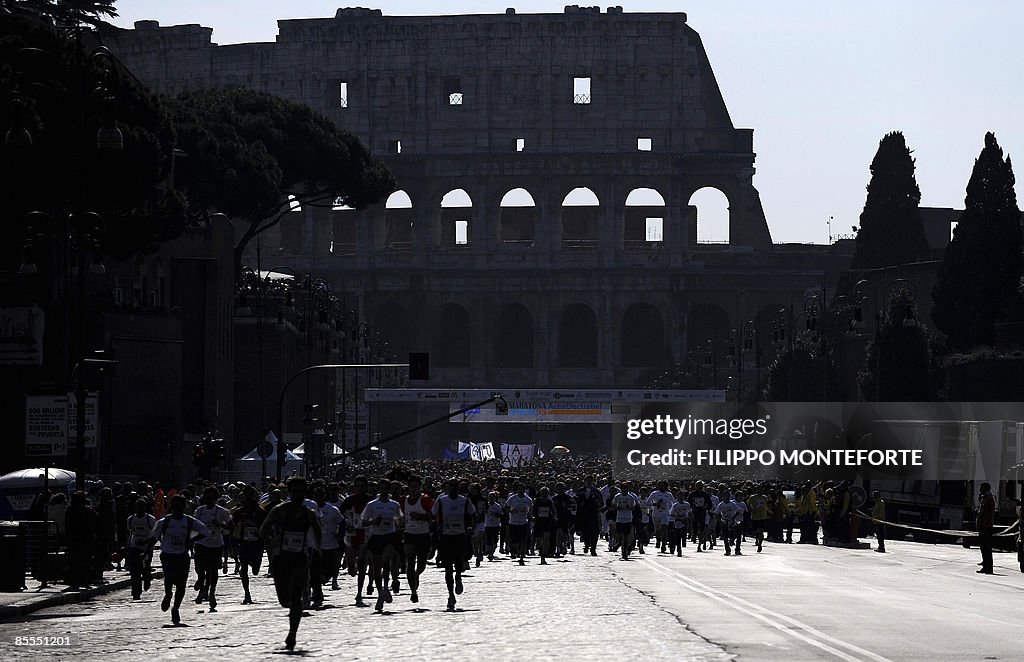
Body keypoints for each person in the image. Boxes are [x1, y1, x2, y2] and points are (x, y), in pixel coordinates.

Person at [260, 477, 322, 650]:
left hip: (300, 558)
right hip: (281, 558)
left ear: (305, 493)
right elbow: (264, 529)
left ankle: (292, 633)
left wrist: (317, 550)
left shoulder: (309, 514)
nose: (298, 495)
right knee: (284, 600)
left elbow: (317, 531)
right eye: (294, 491)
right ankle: (292, 613)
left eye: (301, 492)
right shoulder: (279, 511)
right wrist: (273, 540)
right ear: (289, 492)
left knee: (296, 597)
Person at [152, 494, 210, 625]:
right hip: (167, 554)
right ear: (172, 507)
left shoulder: (189, 521)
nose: (177, 508)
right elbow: (154, 537)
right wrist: (145, 552)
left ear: (184, 507)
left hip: (182, 555)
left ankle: (176, 607)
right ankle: (168, 594)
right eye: (175, 506)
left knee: (181, 584)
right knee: (169, 577)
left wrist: (192, 539)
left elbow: (205, 531)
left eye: (180, 506)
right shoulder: (164, 522)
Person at [432, 478, 477, 611]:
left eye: (455, 486)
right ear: (447, 487)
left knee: (458, 562)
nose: (452, 488)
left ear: (458, 488)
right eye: (450, 486)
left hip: (459, 535)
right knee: (447, 568)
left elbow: (473, 514)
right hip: (445, 537)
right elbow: (433, 514)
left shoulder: (464, 501)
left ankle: (458, 578)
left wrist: (471, 528)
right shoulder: (441, 500)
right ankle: (450, 595)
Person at [359, 481, 403, 613]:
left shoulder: (394, 505)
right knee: (376, 568)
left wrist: (399, 528)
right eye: (382, 488)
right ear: (379, 489)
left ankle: (385, 586)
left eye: (386, 488)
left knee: (386, 560)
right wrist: (374, 521)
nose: (384, 490)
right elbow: (364, 522)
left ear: (389, 490)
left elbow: (399, 518)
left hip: (389, 537)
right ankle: (380, 594)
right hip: (376, 537)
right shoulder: (372, 505)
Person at [193, 485, 233, 612]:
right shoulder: (199, 511)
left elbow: (231, 527)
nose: (209, 500)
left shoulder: (221, 512)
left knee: (213, 571)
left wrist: (220, 524)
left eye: (212, 498)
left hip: (215, 544)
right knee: (200, 568)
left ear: (216, 498)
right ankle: (201, 583)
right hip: (200, 543)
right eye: (207, 497)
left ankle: (211, 593)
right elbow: (193, 527)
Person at [402, 475, 434, 603]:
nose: (413, 489)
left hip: (423, 535)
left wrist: (421, 517)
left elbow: (434, 516)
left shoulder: (425, 500)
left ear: (419, 487)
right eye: (411, 487)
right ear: (408, 487)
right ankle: (413, 591)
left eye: (416, 487)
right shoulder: (403, 500)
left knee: (421, 565)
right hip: (409, 535)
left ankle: (416, 575)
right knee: (410, 562)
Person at [232, 485, 266, 604]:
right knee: (244, 569)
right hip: (244, 543)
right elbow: (232, 526)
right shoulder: (239, 511)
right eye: (246, 496)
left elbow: (266, 526)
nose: (248, 498)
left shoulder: (261, 511)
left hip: (257, 544)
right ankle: (247, 593)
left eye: (251, 495)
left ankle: (253, 563)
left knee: (256, 570)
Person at [125, 499, 156, 600]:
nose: (140, 509)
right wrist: (127, 546)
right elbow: (129, 533)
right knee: (135, 571)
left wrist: (148, 544)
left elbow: (155, 535)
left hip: (146, 547)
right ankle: (136, 592)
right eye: (138, 507)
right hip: (134, 547)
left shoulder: (150, 519)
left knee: (146, 567)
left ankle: (147, 578)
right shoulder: (131, 519)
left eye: (142, 507)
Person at [505, 483, 533, 566]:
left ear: (524, 490)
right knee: (514, 541)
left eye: (522, 489)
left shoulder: (528, 499)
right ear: (517, 490)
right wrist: (510, 511)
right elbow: (506, 507)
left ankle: (521, 556)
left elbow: (531, 509)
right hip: (513, 522)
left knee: (523, 539)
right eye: (519, 489)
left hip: (524, 522)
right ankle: (513, 549)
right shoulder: (512, 498)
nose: (520, 490)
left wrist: (531, 517)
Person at [976, 482, 995, 574]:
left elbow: (987, 515)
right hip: (982, 526)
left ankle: (988, 567)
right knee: (983, 548)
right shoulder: (984, 499)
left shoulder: (989, 499)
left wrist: (983, 525)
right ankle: (985, 566)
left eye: (981, 488)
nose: (980, 490)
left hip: (986, 527)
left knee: (986, 548)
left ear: (985, 489)